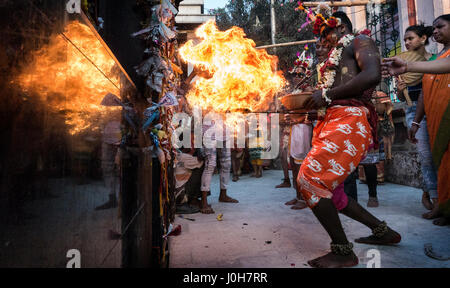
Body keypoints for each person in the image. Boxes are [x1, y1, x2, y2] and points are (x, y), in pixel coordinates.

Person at [298, 11, 401, 268]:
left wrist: (328, 94)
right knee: (332, 192)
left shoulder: (360, 41)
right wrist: (318, 104)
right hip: (331, 121)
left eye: (325, 34)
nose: (322, 41)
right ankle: (381, 231)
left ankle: (343, 251)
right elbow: (333, 94)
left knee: (309, 179)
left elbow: (372, 75)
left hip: (350, 120)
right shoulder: (335, 55)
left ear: (340, 27)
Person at [408, 15, 450, 226]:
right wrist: (416, 122)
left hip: (447, 119)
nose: (435, 31)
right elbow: (424, 92)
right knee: (441, 165)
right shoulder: (434, 60)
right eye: (433, 28)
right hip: (434, 121)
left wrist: (406, 66)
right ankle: (442, 207)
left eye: (440, 27)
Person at [396, 24, 438, 214]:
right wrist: (399, 90)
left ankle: (433, 193)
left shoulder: (436, 60)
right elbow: (402, 97)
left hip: (436, 108)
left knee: (440, 154)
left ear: (422, 39)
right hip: (414, 112)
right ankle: (434, 196)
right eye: (405, 39)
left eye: (410, 38)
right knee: (425, 156)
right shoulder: (403, 64)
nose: (406, 42)